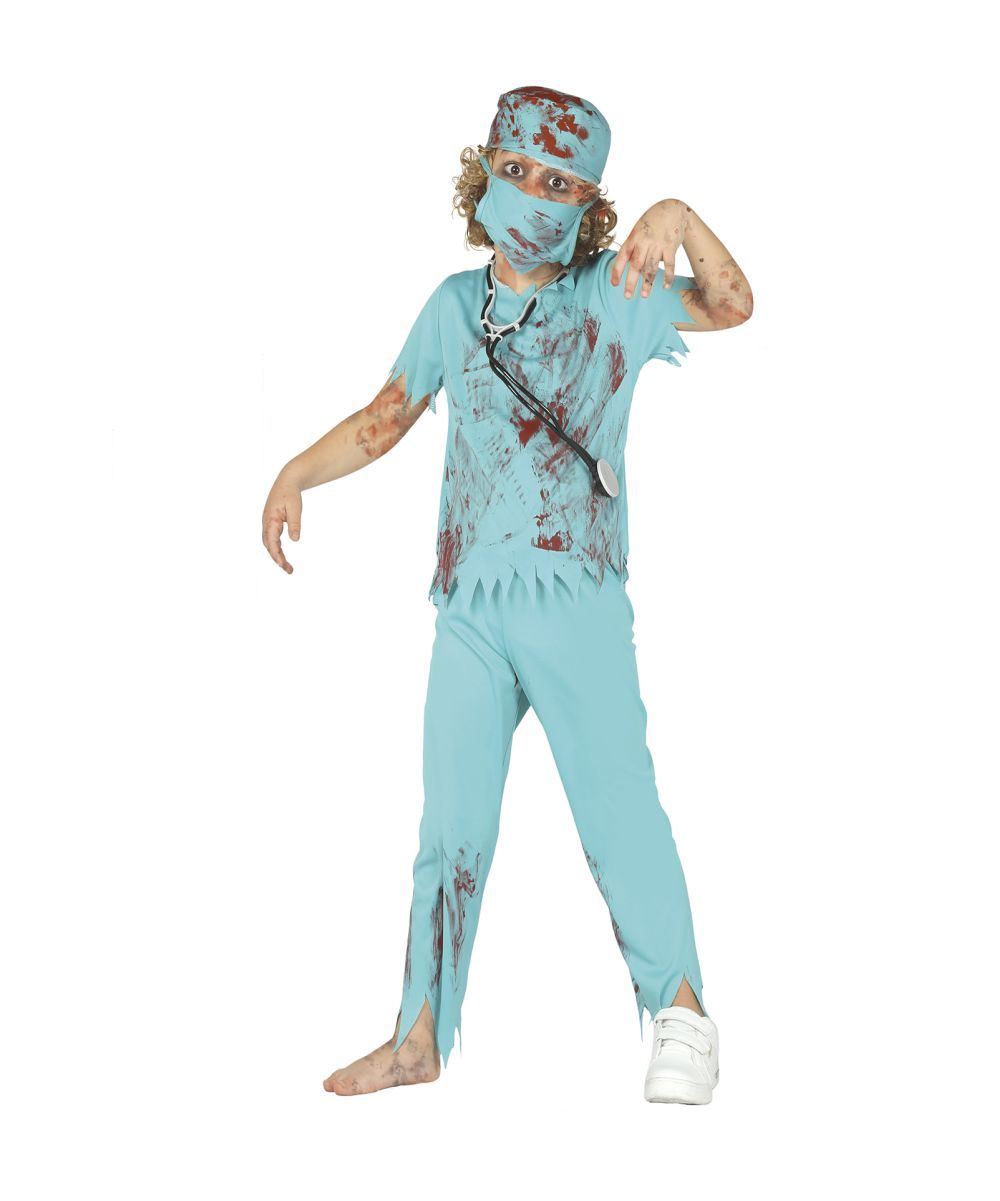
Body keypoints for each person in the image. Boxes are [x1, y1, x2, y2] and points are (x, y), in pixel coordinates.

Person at [262, 85, 753, 1103]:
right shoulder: (454, 306)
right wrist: (296, 473)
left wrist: (677, 215)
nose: (535, 194)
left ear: (590, 206)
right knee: (449, 828)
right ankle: (418, 1033)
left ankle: (683, 1018)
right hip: (468, 606)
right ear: (483, 172)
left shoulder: (614, 290)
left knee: (617, 812)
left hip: (575, 595)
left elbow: (730, 304)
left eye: (562, 183)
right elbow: (388, 415)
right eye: (519, 170)